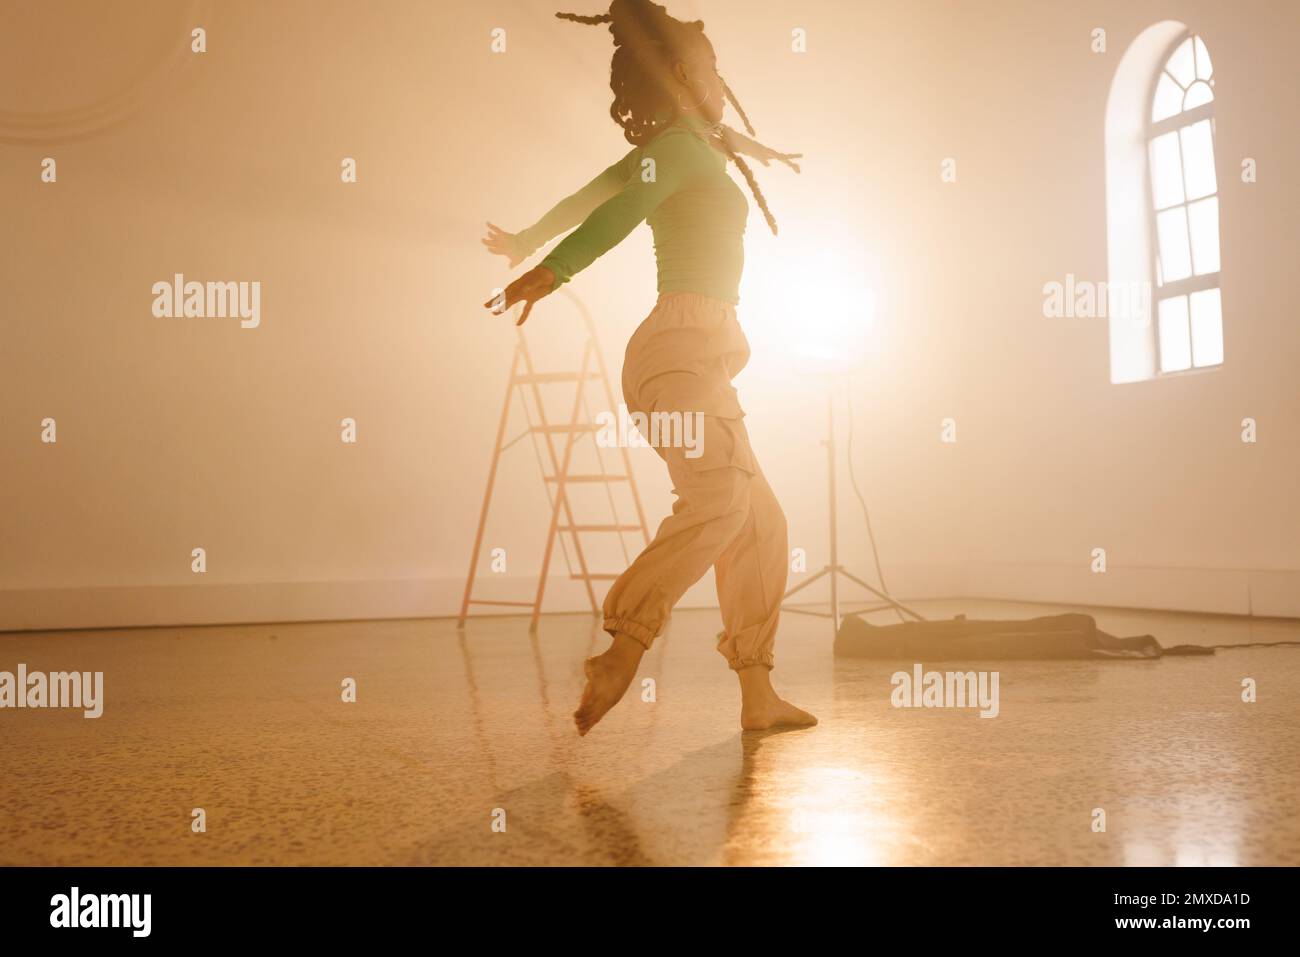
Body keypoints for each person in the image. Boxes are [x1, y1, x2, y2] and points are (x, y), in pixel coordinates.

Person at [483, 0, 815, 735]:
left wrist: (528, 237)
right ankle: (624, 645)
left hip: (697, 360)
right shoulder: (680, 154)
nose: (722, 80)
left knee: (760, 523)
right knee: (721, 497)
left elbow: (591, 193)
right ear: (676, 74)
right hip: (679, 355)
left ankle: (758, 696)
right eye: (710, 69)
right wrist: (552, 267)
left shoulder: (683, 146)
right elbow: (618, 211)